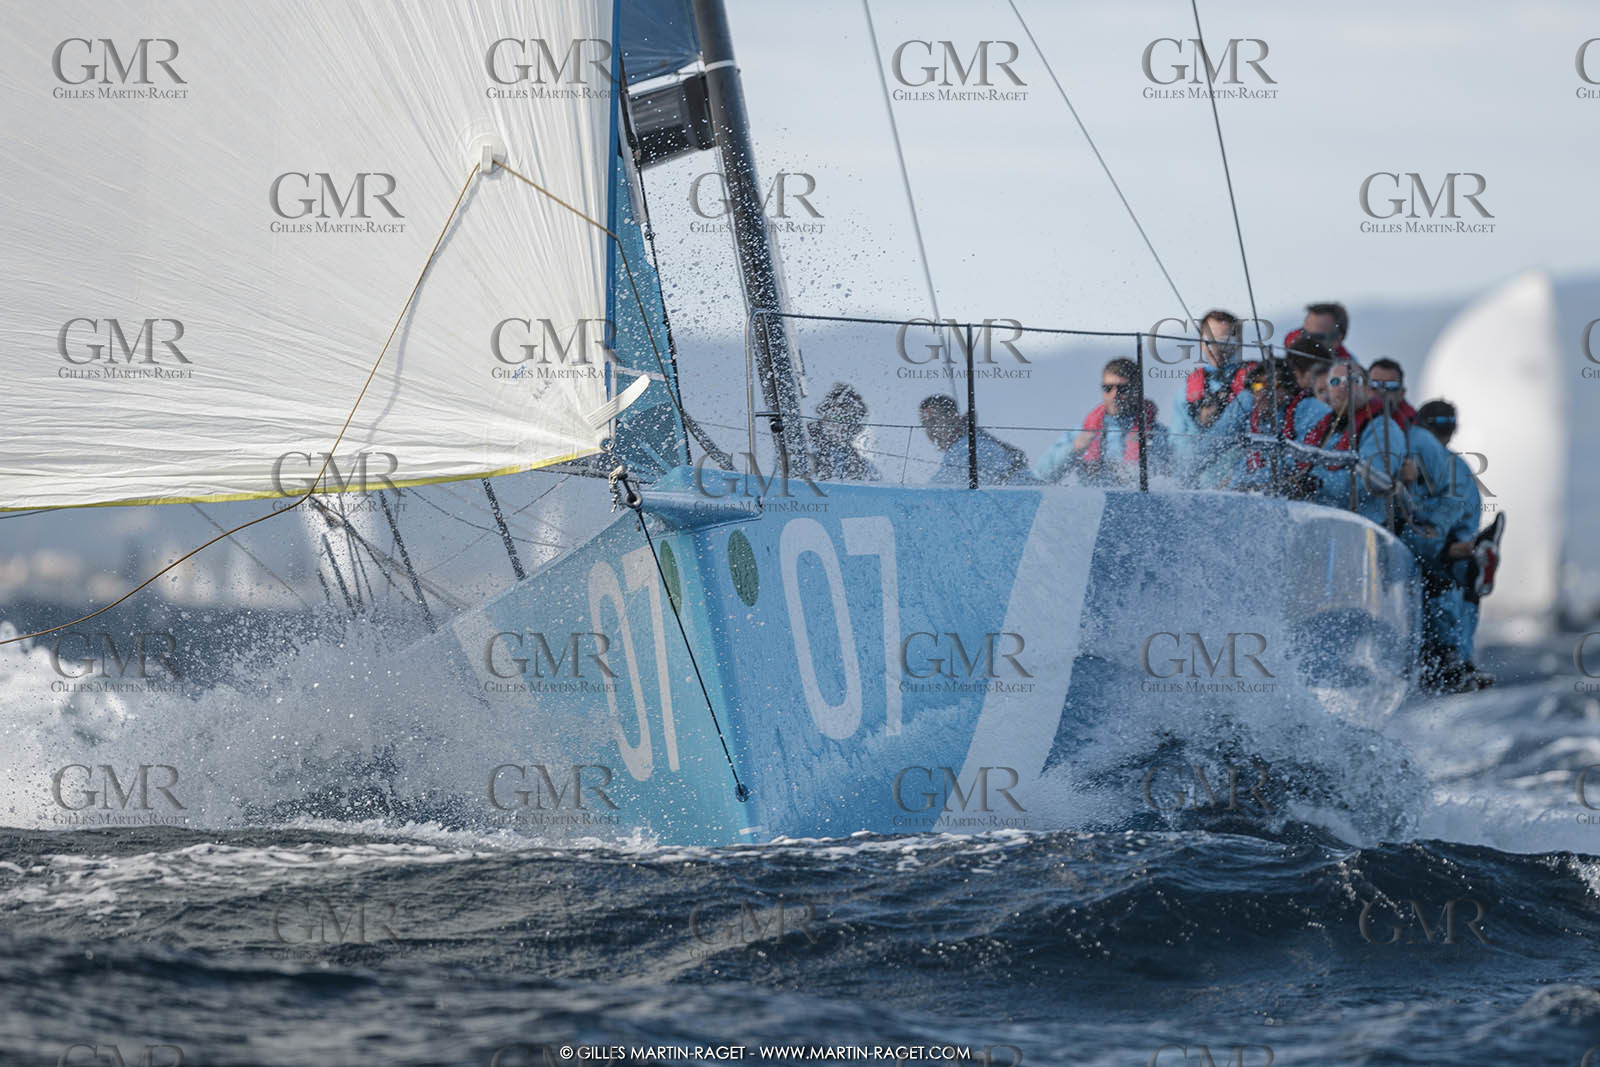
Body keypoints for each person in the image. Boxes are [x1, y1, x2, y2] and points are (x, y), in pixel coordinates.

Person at [1414, 399, 1496, 690]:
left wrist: (1444, 546)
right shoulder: (1456, 467)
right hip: (1443, 545)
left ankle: (1448, 659)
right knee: (1462, 580)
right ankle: (1458, 658)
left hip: (1434, 549)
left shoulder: (1435, 464)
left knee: (1448, 579)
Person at [1298, 360, 1406, 528]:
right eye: (1335, 382)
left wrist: (1318, 483)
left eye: (1352, 381)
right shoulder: (1322, 428)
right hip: (1321, 525)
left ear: (1366, 389)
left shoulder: (1382, 429)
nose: (1343, 387)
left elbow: (1372, 480)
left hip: (1363, 532)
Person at [1035, 358, 1169, 485]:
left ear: (1136, 390)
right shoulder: (1083, 432)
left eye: (1122, 389)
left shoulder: (1157, 435)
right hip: (1094, 506)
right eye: (1108, 388)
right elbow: (1042, 475)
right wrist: (1073, 451)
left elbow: (1179, 478)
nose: (1114, 395)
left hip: (1139, 507)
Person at [919, 394, 1040, 486]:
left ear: (954, 417)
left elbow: (935, 491)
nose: (930, 430)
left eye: (934, 422)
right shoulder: (976, 438)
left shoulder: (965, 448)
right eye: (925, 425)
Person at [811, 382, 881, 481]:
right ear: (824, 416)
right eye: (837, 416)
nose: (843, 425)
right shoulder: (803, 450)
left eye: (850, 419)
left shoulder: (865, 468)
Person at [1282, 302, 1355, 361]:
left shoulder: (1347, 371)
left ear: (1337, 340)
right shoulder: (1290, 361)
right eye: (1304, 333)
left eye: (1316, 338)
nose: (1306, 342)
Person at [1367, 358, 1417, 431]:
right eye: (1375, 384)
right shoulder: (1349, 420)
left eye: (1390, 385)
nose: (1381, 391)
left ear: (1402, 393)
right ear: (1365, 389)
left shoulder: (1416, 428)